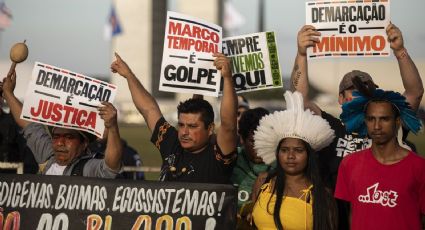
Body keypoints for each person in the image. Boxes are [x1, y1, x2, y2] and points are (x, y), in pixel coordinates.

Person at [291, 23, 424, 189]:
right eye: (353, 91)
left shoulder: (385, 128)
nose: (360, 96)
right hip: (335, 212)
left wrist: (400, 51)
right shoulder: (328, 127)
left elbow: (415, 92)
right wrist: (301, 54)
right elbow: (299, 101)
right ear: (340, 98)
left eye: (366, 91)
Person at [111, 52, 238, 184]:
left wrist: (227, 78)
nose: (184, 132)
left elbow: (229, 125)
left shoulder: (217, 156)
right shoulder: (173, 143)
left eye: (192, 126)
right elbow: (148, 110)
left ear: (210, 128)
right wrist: (129, 75)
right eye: (181, 125)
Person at [1, 72, 123, 177]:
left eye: (69, 137)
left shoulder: (87, 168)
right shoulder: (48, 156)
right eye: (56, 137)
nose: (60, 143)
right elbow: (29, 125)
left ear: (84, 143)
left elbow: (111, 166)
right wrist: (8, 93)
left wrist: (112, 127)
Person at [335, 88, 425, 230]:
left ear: (397, 122)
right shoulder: (349, 164)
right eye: (371, 119)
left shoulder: (419, 167)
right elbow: (354, 214)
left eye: (384, 119)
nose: (377, 126)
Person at [251, 91, 337, 230]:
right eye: (284, 150)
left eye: (298, 150)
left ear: (309, 155)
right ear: (277, 153)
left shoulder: (321, 196)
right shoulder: (263, 182)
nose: (290, 156)